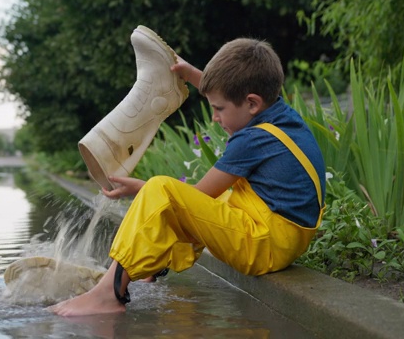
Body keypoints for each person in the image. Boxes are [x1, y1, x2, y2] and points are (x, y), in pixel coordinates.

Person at [49, 38, 326, 317]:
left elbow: (193, 197)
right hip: (284, 238)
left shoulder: (252, 140)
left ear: (252, 103)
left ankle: (108, 294)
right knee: (215, 200)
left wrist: (143, 189)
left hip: (265, 246)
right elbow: (236, 93)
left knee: (162, 188)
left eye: (218, 109)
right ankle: (148, 266)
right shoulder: (279, 114)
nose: (215, 118)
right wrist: (190, 73)